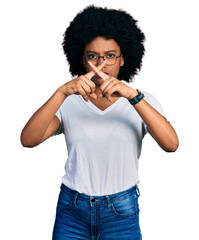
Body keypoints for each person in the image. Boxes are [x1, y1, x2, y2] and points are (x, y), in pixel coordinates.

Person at [20, 5, 179, 240]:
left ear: (123, 58)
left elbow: (171, 144)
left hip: (121, 212)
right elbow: (28, 140)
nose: (101, 64)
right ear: (82, 60)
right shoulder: (68, 102)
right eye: (93, 56)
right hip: (72, 211)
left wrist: (132, 95)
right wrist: (61, 93)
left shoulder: (141, 101)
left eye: (110, 55)